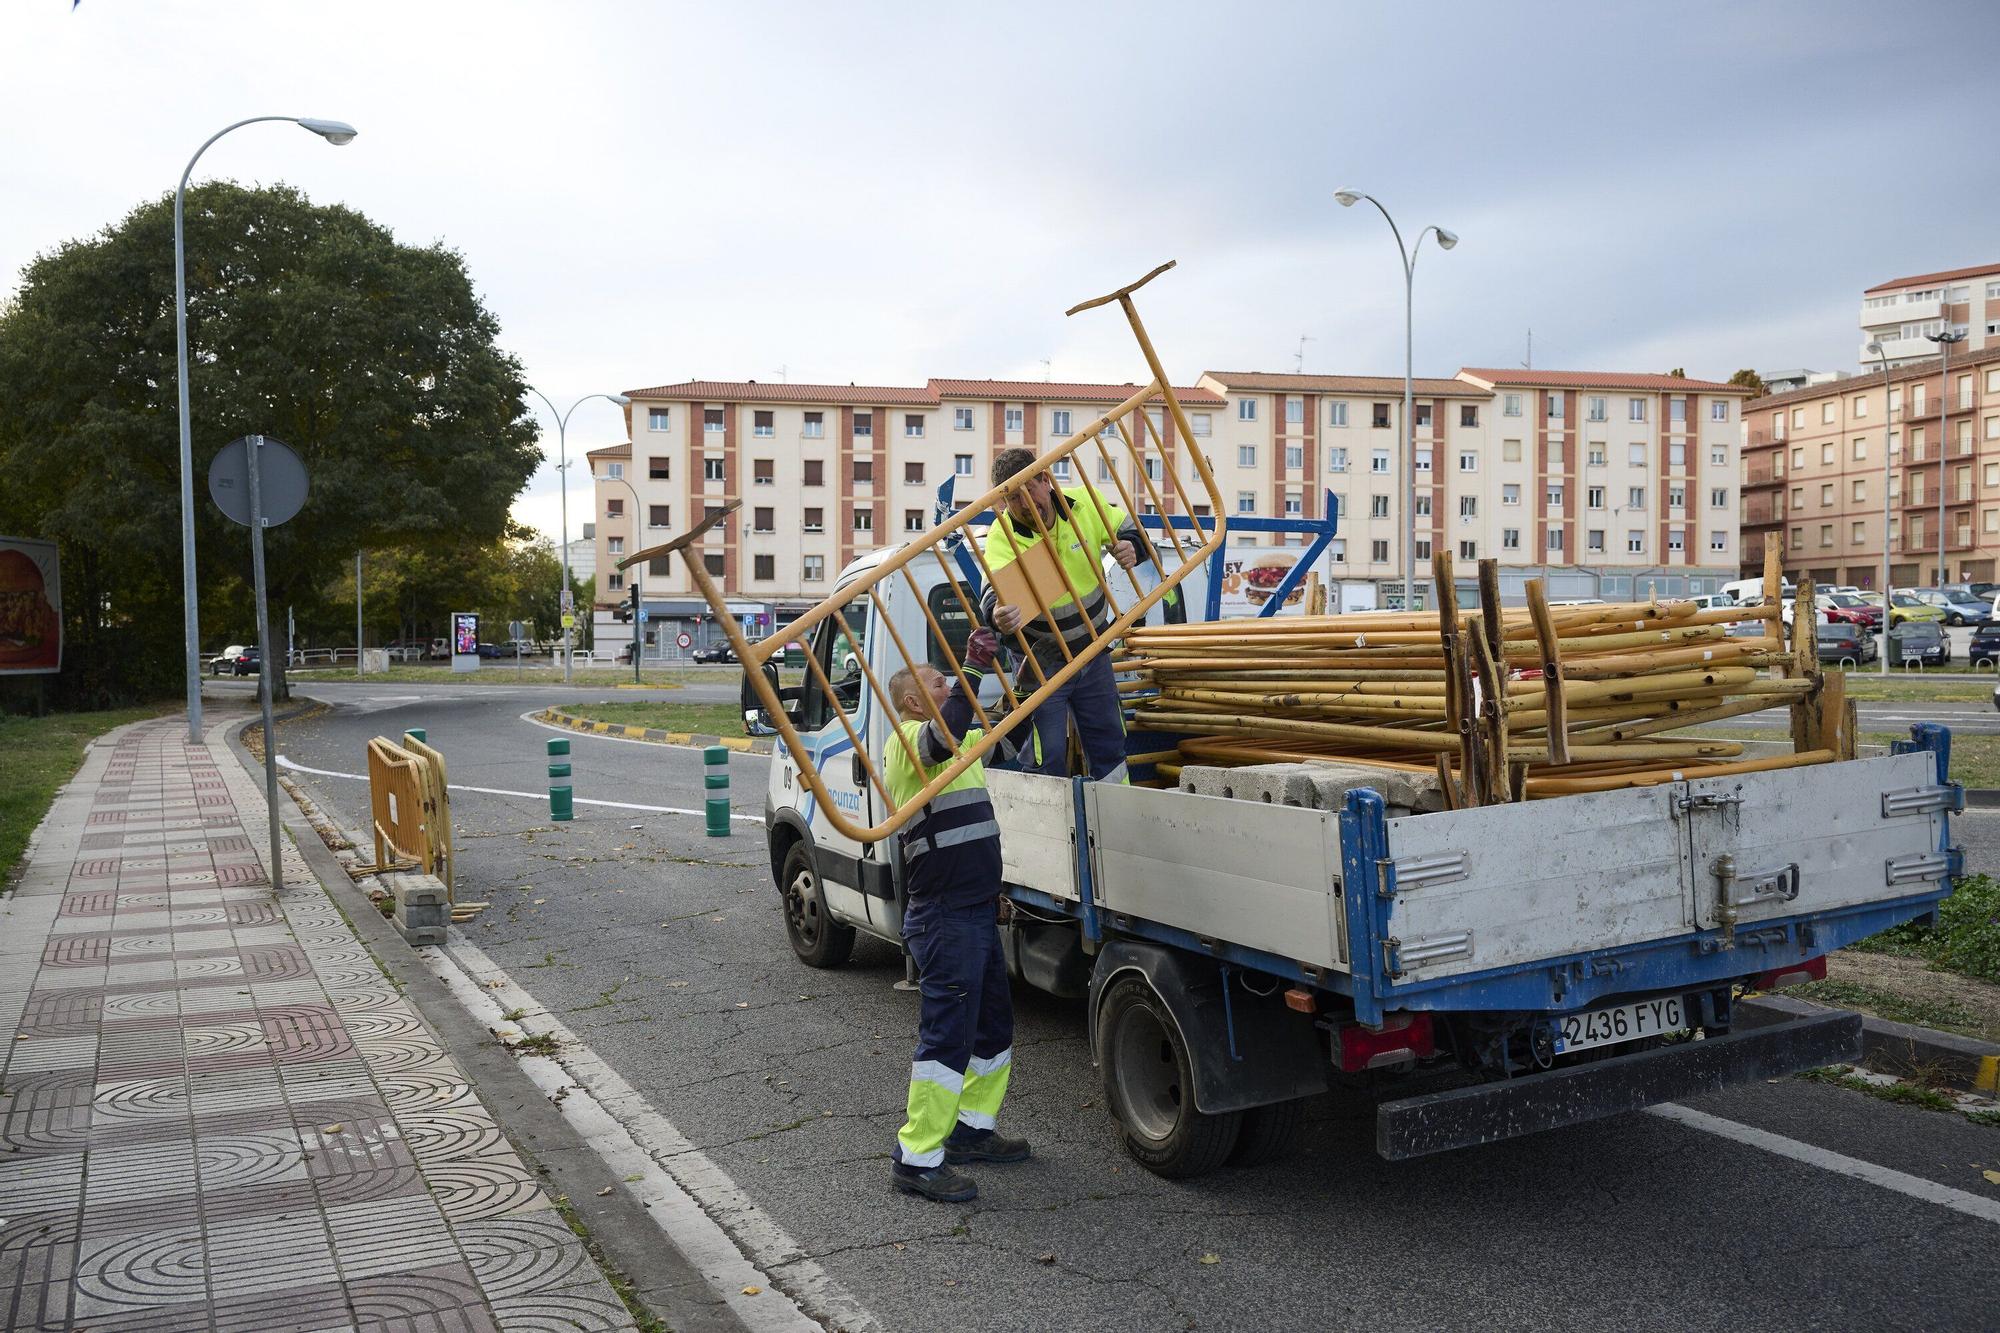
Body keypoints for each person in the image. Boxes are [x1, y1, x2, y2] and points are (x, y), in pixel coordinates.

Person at [882, 628, 1030, 1203]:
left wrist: (1023, 660)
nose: (954, 688)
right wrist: (972, 666)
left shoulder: (959, 740)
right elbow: (945, 737)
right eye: (941, 684)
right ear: (915, 702)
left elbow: (1011, 740)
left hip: (974, 911)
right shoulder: (908, 742)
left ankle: (972, 1130)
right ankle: (917, 1159)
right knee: (948, 1038)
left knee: (991, 1030)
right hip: (944, 916)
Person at [979, 447, 1144, 780]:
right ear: (1004, 503)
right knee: (1046, 756)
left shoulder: (1083, 503)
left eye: (1029, 490)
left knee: (1109, 745)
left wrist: (1132, 546)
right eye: (1013, 499)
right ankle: (1050, 816)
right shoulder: (1001, 536)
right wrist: (999, 616)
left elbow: (1131, 530)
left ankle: (1114, 809)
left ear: (1046, 480)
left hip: (1093, 650)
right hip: (1042, 662)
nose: (1025, 504)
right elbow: (992, 597)